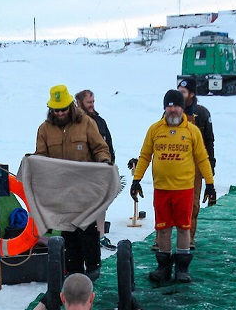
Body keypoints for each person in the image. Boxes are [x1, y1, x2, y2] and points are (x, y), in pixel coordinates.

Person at [130, 89, 215, 284]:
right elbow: (145, 156)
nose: (173, 109)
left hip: (184, 189)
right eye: (169, 105)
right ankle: (164, 267)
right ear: (164, 108)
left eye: (176, 105)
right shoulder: (155, 129)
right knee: (164, 229)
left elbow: (202, 158)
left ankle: (182, 269)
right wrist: (136, 180)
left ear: (182, 107)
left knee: (184, 229)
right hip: (161, 189)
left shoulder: (192, 131)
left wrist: (210, 184)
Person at [35, 85, 111, 279]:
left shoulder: (86, 123)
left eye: (63, 109)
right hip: (61, 191)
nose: (60, 113)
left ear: (71, 106)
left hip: (85, 189)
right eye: (56, 110)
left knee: (87, 229)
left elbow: (100, 147)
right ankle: (74, 271)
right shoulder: (44, 129)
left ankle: (93, 268)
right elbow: (41, 157)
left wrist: (104, 162)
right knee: (68, 233)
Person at [75, 89, 116, 251]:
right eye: (88, 102)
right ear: (79, 103)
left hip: (99, 172)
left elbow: (108, 146)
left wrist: (110, 164)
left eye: (93, 102)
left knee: (101, 205)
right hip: (81, 173)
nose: (92, 105)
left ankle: (100, 236)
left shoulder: (100, 122)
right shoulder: (74, 124)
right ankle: (80, 238)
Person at [177, 78, 215, 250]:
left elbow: (209, 141)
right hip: (175, 162)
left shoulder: (202, 113)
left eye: (183, 92)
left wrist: (210, 164)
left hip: (196, 165)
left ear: (191, 94)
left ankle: (189, 237)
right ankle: (161, 237)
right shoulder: (170, 112)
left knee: (192, 202)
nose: (180, 95)